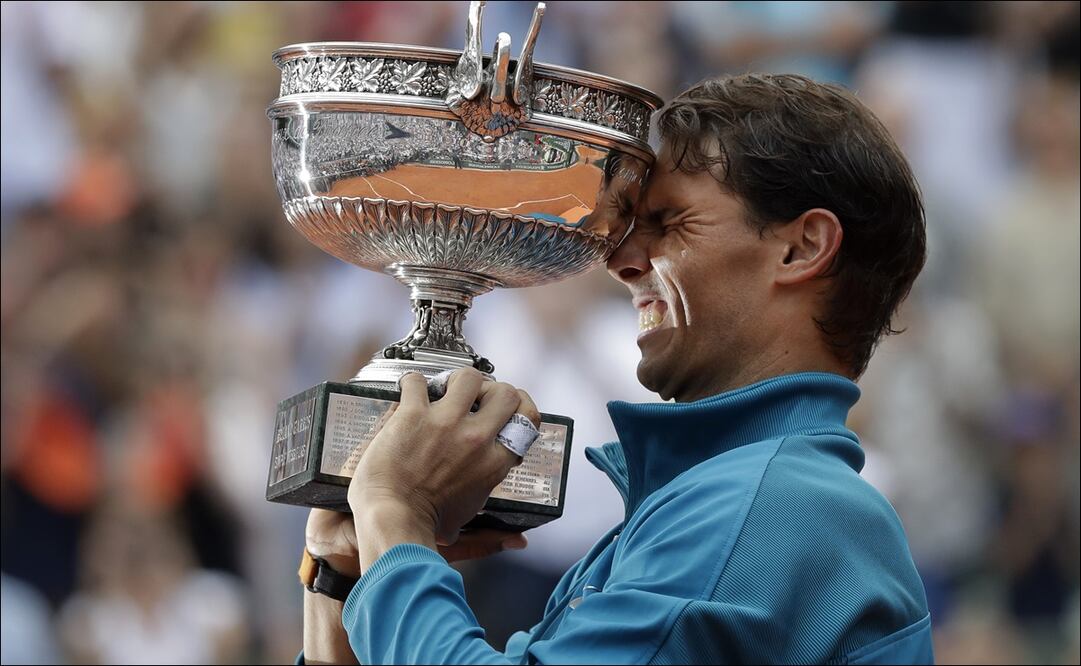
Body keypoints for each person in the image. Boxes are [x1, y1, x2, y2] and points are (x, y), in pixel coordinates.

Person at [299, 73, 933, 664]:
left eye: (669, 224)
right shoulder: (715, 503)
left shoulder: (769, 508)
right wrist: (345, 575)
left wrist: (396, 511)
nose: (622, 258)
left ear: (801, 247)